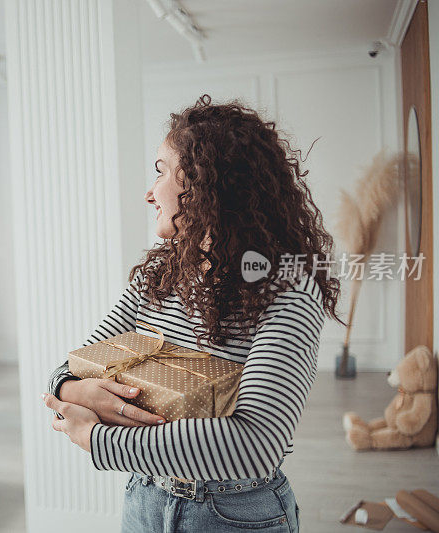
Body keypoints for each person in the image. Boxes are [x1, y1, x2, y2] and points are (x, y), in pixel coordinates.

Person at [42, 94, 342, 532]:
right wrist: (69, 388)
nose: (149, 192)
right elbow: (75, 366)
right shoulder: (158, 276)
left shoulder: (289, 290)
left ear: (204, 183)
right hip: (143, 497)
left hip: (233, 513)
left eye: (161, 170)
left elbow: (255, 443)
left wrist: (97, 438)